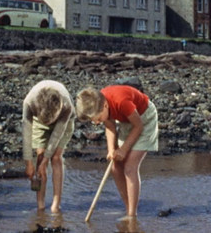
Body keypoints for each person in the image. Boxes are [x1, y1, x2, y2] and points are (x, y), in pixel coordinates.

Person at [76, 85, 159, 218]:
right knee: (115, 166)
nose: (97, 123)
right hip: (126, 121)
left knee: (130, 167)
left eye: (97, 118)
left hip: (144, 119)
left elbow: (138, 126)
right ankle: (128, 206)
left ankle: (132, 215)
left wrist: (124, 149)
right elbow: (110, 127)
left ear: (104, 106)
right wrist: (111, 150)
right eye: (93, 121)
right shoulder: (100, 103)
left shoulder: (121, 101)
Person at [22, 80, 75, 213]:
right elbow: (26, 133)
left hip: (64, 121)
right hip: (38, 119)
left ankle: (55, 204)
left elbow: (57, 135)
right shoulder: (29, 103)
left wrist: (48, 158)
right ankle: (40, 206)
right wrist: (29, 163)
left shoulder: (67, 105)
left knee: (56, 157)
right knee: (40, 159)